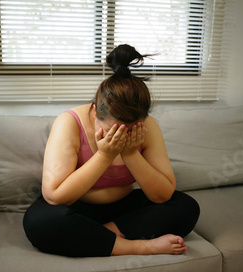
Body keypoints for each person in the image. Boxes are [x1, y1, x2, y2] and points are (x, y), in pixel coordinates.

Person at [23, 44, 199, 258]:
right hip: (78, 207)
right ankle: (141, 247)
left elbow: (162, 195)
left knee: (186, 207)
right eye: (112, 130)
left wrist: (132, 154)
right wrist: (104, 156)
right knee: (40, 222)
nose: (122, 136)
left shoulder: (149, 126)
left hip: (122, 211)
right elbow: (54, 196)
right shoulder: (69, 122)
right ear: (95, 112)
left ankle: (99, 236)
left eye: (131, 129)